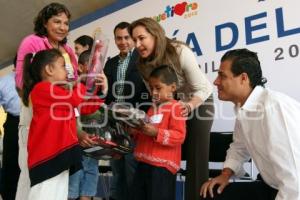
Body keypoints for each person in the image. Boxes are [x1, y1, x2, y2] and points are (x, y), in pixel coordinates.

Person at [129, 17, 214, 200]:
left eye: (141, 38)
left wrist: (188, 106)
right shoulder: (142, 64)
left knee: (195, 158)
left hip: (199, 102)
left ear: (155, 35)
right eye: (134, 40)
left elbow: (204, 88)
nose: (137, 44)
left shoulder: (180, 51)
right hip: (174, 106)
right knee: (168, 155)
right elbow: (156, 98)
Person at [200, 48, 300, 200]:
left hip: (292, 190)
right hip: (271, 186)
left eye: (222, 75)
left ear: (243, 78)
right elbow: (239, 147)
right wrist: (225, 175)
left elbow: (295, 181)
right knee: (211, 193)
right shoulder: (244, 109)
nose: (215, 81)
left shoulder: (274, 108)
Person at [22, 48, 105, 200]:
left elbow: (85, 106)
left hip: (60, 155)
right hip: (46, 157)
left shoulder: (60, 91)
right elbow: (75, 100)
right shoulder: (42, 89)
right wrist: (83, 81)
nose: (67, 71)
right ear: (49, 69)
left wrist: (100, 89)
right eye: (62, 66)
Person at [15, 3, 78, 200]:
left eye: (66, 23)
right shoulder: (32, 42)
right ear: (44, 22)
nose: (62, 27)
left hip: (63, 122)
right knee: (32, 176)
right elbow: (21, 80)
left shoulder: (68, 50)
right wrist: (47, 96)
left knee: (59, 179)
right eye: (56, 21)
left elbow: (74, 84)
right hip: (38, 117)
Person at [103, 21, 150, 200]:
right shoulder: (110, 64)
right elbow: (106, 95)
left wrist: (139, 120)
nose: (123, 42)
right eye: (118, 38)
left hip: (134, 124)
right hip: (115, 125)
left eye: (126, 37)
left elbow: (147, 92)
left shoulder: (142, 59)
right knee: (117, 172)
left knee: (133, 171)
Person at [129, 65, 186, 200]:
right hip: (143, 164)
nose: (153, 92)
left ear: (172, 87)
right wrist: (135, 131)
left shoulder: (176, 108)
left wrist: (156, 133)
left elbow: (179, 136)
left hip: (162, 168)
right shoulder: (151, 108)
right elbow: (146, 132)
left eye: (158, 88)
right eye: (151, 88)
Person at [68, 50, 103, 200]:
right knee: (73, 185)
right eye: (91, 66)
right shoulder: (73, 87)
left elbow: (97, 109)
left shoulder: (97, 88)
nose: (95, 71)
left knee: (89, 183)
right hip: (75, 147)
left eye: (98, 67)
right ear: (81, 67)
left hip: (93, 147)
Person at [0, 57, 21, 200]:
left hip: (36, 124)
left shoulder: (39, 79)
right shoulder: (4, 82)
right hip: (14, 122)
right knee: (11, 164)